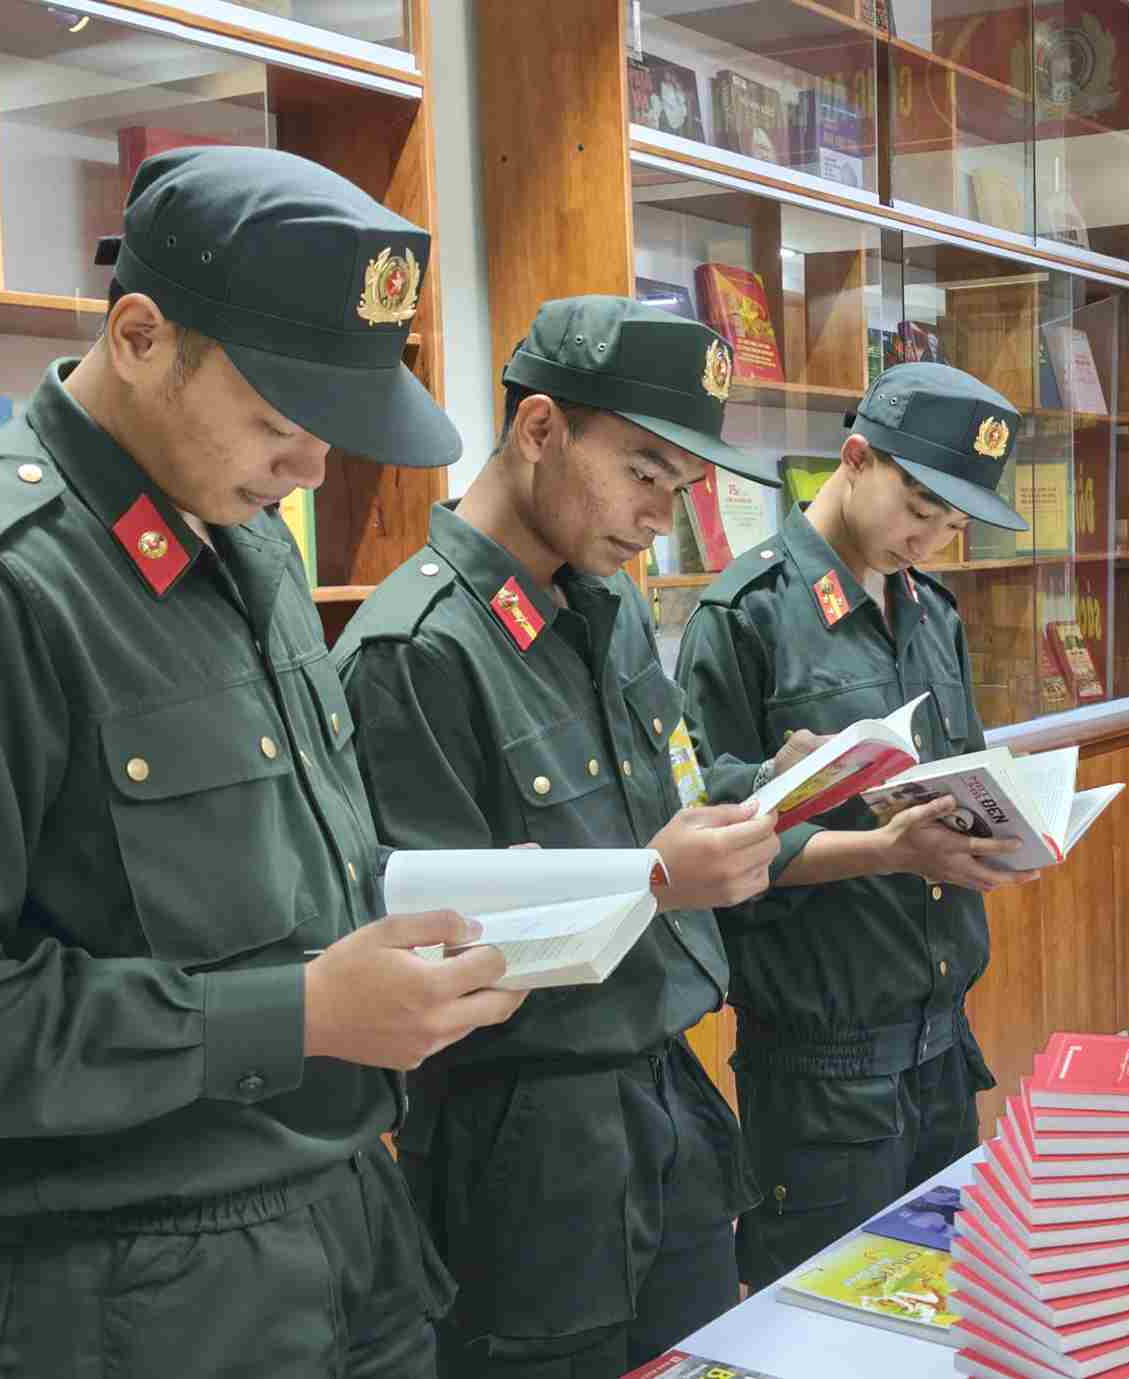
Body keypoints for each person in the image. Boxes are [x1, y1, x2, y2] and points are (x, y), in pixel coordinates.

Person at [0, 146, 525, 1379]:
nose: (311, 469)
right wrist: (294, 1014)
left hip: (351, 1227)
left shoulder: (248, 551)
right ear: (139, 335)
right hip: (134, 1287)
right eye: (281, 419)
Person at [333, 295, 801, 1378]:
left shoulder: (607, 608)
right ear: (538, 429)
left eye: (680, 490)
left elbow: (657, 795)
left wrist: (761, 785)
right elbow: (438, 942)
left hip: (667, 1094)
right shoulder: (415, 649)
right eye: (642, 472)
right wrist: (651, 881)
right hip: (524, 1142)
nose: (658, 516)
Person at [673, 362, 1048, 1291]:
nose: (933, 536)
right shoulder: (747, 613)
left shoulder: (931, 609)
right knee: (821, 1330)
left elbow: (961, 776)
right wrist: (884, 850)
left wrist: (1001, 833)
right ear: (854, 459)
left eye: (955, 522)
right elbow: (715, 845)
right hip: (822, 1070)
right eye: (920, 507)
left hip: (942, 1047)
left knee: (940, 1313)